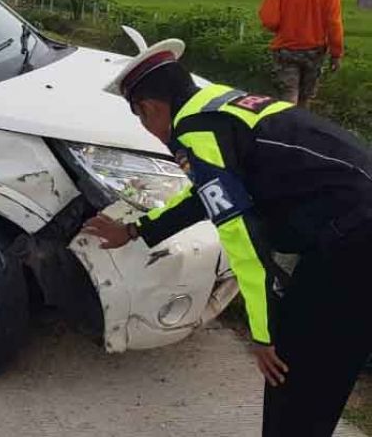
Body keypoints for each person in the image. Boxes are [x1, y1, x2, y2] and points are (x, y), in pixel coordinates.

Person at [81, 36, 372, 436]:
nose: (148, 130)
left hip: (354, 242)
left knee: (293, 374)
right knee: (336, 355)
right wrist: (137, 230)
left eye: (142, 120)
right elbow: (208, 192)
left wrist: (264, 330)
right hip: (355, 218)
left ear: (149, 108)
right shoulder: (224, 104)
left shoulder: (197, 133)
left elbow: (241, 237)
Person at [259, 0, 344, 107]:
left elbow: (269, 20)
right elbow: (334, 23)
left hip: (286, 50)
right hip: (315, 51)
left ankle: (286, 129)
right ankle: (302, 128)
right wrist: (336, 54)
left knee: (289, 96)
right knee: (305, 98)